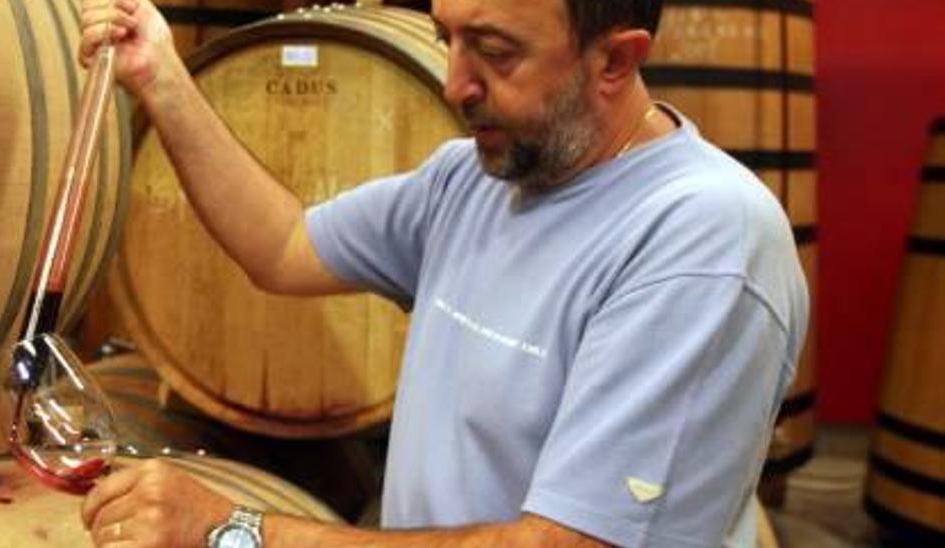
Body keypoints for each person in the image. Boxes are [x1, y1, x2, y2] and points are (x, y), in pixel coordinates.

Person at [76, 0, 810, 546]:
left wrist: (231, 530)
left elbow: (566, 545)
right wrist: (162, 79)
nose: (456, 84)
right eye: (446, 39)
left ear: (615, 59)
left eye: (494, 52)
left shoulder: (700, 241)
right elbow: (284, 244)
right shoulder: (470, 180)